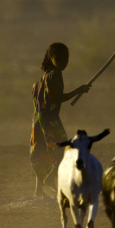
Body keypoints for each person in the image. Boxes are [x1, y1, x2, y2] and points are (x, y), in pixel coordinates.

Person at [30, 42, 90, 197]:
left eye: (66, 59)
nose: (63, 63)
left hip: (37, 119)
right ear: (51, 58)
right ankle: (50, 179)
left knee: (41, 150)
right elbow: (58, 98)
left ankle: (38, 190)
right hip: (50, 119)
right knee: (63, 149)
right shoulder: (55, 75)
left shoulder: (41, 79)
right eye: (60, 59)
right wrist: (80, 90)